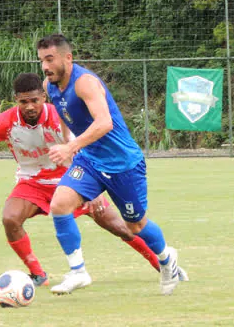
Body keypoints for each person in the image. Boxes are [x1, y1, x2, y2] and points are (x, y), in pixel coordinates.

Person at [0, 73, 180, 287]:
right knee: (10, 218)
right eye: (23, 102)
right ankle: (38, 274)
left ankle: (163, 265)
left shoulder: (61, 117)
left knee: (121, 227)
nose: (29, 106)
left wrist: (95, 192)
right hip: (32, 183)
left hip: (71, 179)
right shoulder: (4, 123)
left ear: (43, 96)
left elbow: (85, 150)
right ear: (16, 100)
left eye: (34, 100)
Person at [37, 34, 186, 295]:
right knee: (59, 205)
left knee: (135, 225)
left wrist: (71, 147)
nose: (45, 67)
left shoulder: (85, 83)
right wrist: (70, 150)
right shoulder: (50, 86)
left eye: (50, 60)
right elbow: (66, 119)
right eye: (41, 61)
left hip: (123, 164)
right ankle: (78, 272)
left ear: (67, 58)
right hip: (90, 160)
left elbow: (104, 122)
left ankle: (166, 258)